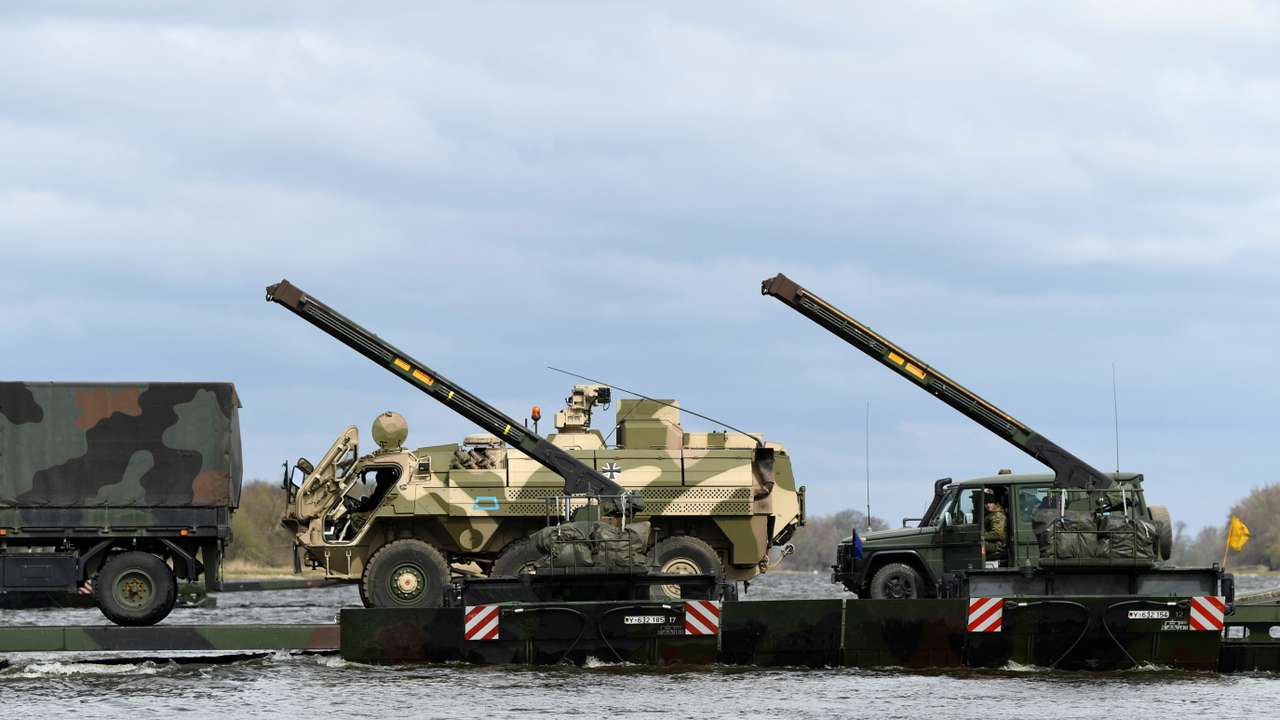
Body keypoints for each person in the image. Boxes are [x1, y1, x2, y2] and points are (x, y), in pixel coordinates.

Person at [983, 490, 1008, 560]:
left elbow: (997, 534)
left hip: (998, 546)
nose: (988, 505)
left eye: (990, 502)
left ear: (995, 503)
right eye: (986, 503)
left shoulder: (998, 515)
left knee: (978, 545)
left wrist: (981, 535)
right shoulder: (990, 513)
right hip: (993, 543)